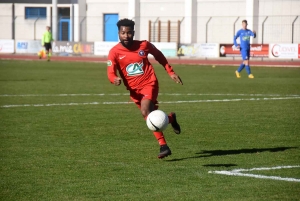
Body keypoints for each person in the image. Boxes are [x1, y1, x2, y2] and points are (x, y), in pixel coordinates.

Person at [107, 18, 183, 159]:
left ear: (133, 33)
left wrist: (170, 72)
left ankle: (163, 146)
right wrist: (114, 79)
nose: (126, 36)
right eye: (123, 33)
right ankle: (171, 119)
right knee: (150, 116)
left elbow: (159, 56)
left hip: (149, 83)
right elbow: (110, 71)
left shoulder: (144, 45)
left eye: (129, 33)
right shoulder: (114, 52)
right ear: (118, 33)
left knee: (145, 110)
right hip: (134, 91)